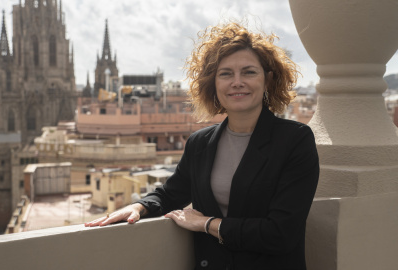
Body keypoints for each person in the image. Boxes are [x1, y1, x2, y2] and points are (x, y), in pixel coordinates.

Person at [85, 21, 319, 269]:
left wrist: (206, 224)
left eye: (249, 72)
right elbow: (171, 193)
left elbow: (282, 233)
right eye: (226, 73)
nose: (237, 82)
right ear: (213, 83)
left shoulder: (295, 140)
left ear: (268, 80)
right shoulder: (201, 143)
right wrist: (139, 206)